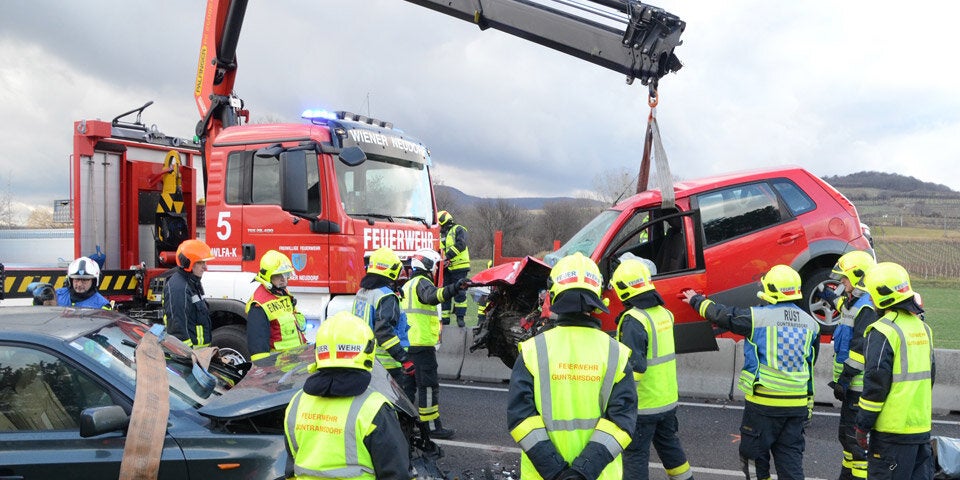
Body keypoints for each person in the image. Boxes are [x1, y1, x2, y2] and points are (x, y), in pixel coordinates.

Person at [682, 264, 819, 480]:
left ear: (771, 290)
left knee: (754, 455)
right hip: (797, 405)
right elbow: (810, 364)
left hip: (765, 403)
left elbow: (723, 316)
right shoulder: (811, 324)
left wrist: (695, 301)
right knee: (790, 459)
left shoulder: (758, 317)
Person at [508, 252, 637, 480]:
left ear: (554, 294)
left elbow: (522, 419)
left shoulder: (532, 351)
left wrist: (557, 472)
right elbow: (621, 424)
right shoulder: (616, 354)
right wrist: (582, 472)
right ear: (597, 296)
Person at [284, 310, 411, 479]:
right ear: (367, 350)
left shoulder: (296, 403)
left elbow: (292, 469)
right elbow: (396, 473)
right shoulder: (374, 408)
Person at [611, 258, 693, 480]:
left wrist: (618, 400)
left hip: (643, 406)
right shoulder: (664, 314)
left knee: (635, 457)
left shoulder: (633, 320)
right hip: (666, 402)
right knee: (671, 450)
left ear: (622, 289)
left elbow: (634, 369)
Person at [855, 262, 934, 480]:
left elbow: (875, 386)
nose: (869, 299)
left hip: (892, 435)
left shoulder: (883, 330)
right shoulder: (924, 329)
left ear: (883, 296)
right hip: (920, 430)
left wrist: (862, 426)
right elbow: (930, 378)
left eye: (871, 294)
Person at [401, 248, 468, 439]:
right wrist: (455, 288)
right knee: (428, 386)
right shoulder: (422, 283)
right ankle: (431, 427)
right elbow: (433, 296)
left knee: (407, 388)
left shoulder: (407, 285)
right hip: (421, 346)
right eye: (434, 266)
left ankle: (404, 424)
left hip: (408, 346)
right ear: (428, 265)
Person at [824, 250, 877, 480]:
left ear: (858, 276)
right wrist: (828, 296)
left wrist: (844, 380)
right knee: (846, 438)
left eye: (845, 278)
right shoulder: (852, 302)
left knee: (856, 444)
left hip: (856, 387)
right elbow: (842, 307)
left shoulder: (865, 308)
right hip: (849, 387)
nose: (842, 282)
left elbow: (859, 351)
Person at [353, 247, 416, 402]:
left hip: (366, 357)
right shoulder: (386, 296)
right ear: (392, 270)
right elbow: (383, 332)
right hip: (388, 361)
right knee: (398, 403)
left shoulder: (363, 292)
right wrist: (404, 358)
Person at [245, 250, 307, 361]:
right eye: (279, 275)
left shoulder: (283, 294)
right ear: (268, 277)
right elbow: (258, 348)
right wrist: (265, 374)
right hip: (278, 369)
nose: (284, 279)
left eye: (286, 274)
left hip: (294, 364)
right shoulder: (259, 305)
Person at [163, 239, 215, 348]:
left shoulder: (193, 282)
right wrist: (187, 357)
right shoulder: (179, 287)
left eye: (205, 262)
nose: (205, 267)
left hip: (199, 355)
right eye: (200, 262)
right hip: (190, 357)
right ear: (188, 263)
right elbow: (177, 330)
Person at [438, 209, 471, 327]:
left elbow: (461, 245)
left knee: (460, 292)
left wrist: (447, 257)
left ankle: (460, 318)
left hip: (460, 266)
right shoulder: (442, 235)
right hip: (446, 268)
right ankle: (445, 320)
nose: (439, 228)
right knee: (445, 293)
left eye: (440, 225)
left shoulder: (458, 229)